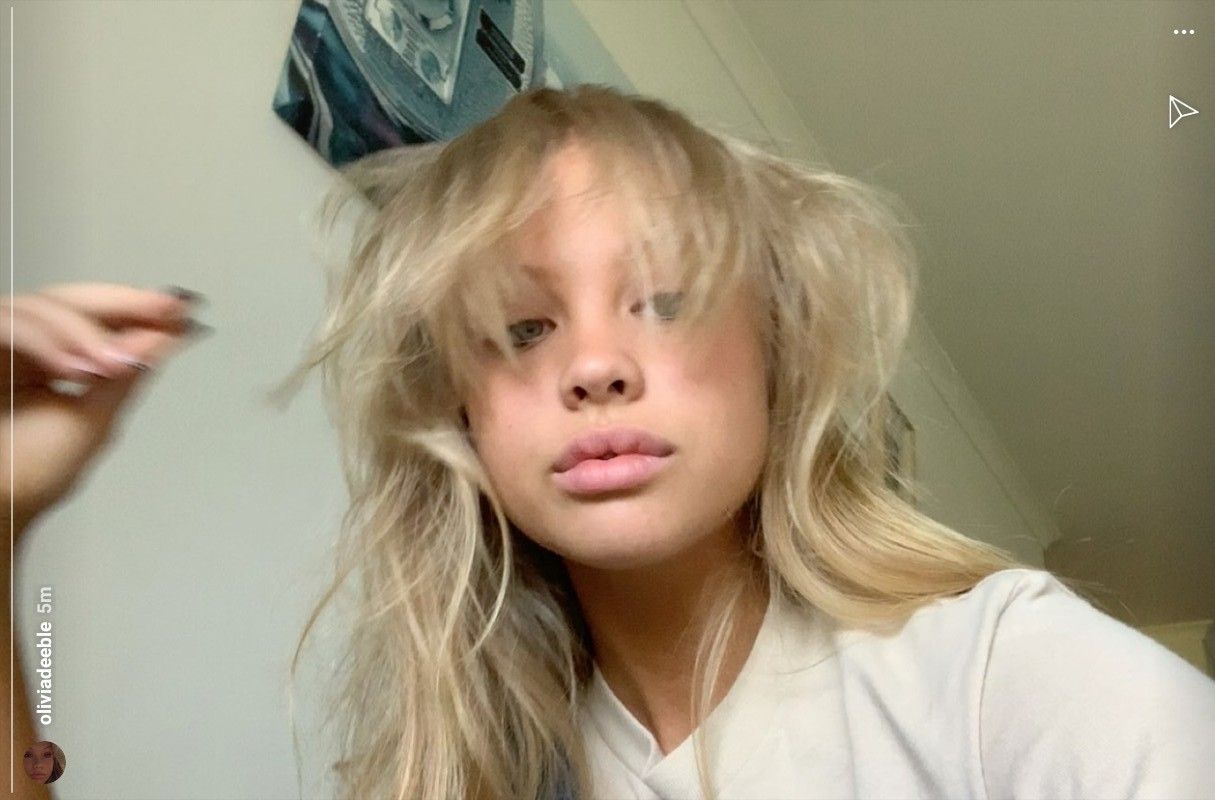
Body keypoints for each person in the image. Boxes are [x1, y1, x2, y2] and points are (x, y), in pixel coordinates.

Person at [7, 86, 1215, 800]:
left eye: (666, 299)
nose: (594, 365)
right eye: (524, 326)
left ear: (779, 350)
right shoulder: (489, 765)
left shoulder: (1004, 672)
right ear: (462, 412)